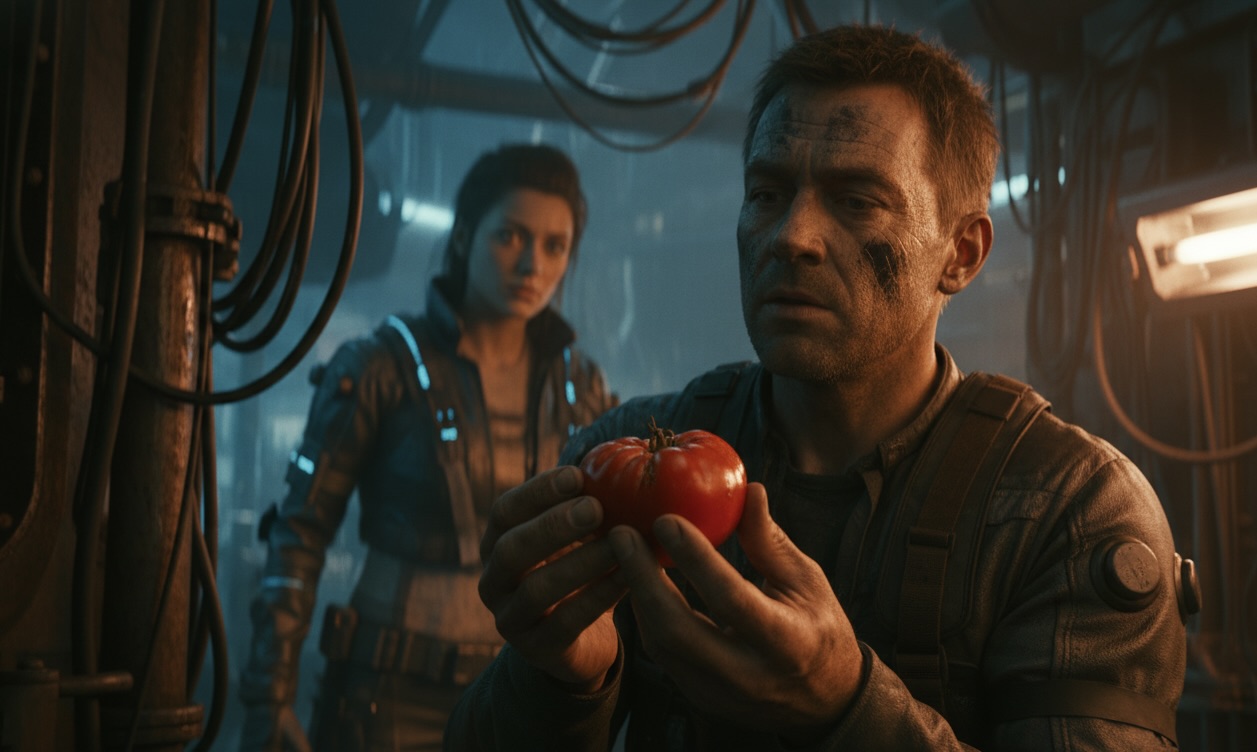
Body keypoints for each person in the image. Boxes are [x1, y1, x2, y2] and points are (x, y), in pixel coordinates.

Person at [446, 25, 1192, 751]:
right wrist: (563, 679)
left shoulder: (1071, 509)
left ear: (960, 254)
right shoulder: (627, 459)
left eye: (856, 200)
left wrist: (845, 708)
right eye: (767, 194)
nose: (791, 236)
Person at [238, 143, 619, 751]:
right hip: (384, 694)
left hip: (522, 694)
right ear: (464, 237)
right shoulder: (379, 366)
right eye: (511, 237)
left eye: (555, 247)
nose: (532, 266)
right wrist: (268, 696)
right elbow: (299, 535)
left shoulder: (582, 387)